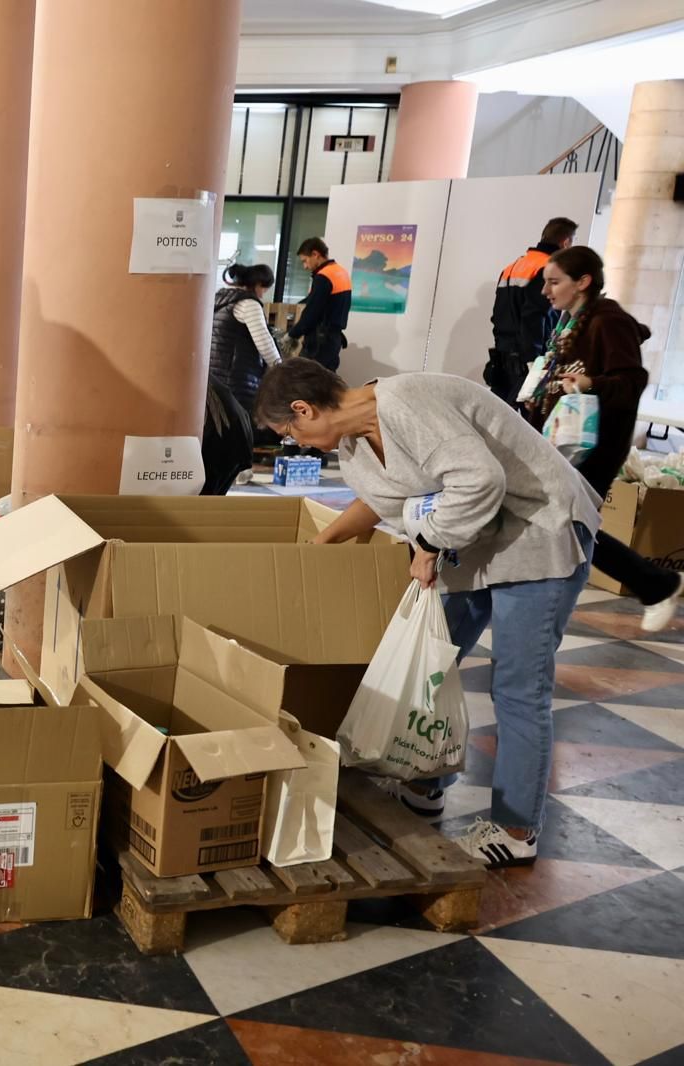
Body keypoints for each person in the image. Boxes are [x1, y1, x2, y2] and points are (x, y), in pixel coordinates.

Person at [255, 359, 600, 868]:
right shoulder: (352, 442)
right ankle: (425, 783)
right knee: (432, 663)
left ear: (304, 409)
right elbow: (381, 498)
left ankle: (515, 828)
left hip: (538, 531)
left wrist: (428, 542)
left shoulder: (406, 403)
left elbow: (480, 482)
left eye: (289, 431)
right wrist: (323, 541)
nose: (296, 442)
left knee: (518, 688)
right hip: (478, 543)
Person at [522, 245, 681, 631]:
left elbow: (632, 380)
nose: (546, 291)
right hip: (563, 442)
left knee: (570, 521)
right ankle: (650, 584)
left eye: (554, 282)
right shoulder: (569, 324)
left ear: (583, 282)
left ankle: (656, 583)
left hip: (594, 445)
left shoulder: (608, 321)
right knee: (562, 520)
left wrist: (591, 383)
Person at [486, 217, 577, 405]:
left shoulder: (512, 267)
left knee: (497, 419)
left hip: (503, 360)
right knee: (526, 427)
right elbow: (534, 317)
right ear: (566, 242)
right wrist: (534, 363)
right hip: (527, 364)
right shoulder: (548, 269)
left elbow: (497, 316)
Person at [210, 262, 282, 414]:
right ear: (256, 284)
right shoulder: (248, 304)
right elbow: (264, 342)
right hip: (237, 380)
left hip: (213, 378)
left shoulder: (218, 300)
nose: (262, 295)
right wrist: (280, 369)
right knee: (240, 428)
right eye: (263, 289)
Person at [287, 238, 351, 372]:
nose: (305, 266)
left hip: (319, 341)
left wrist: (292, 334)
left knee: (304, 381)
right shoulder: (340, 272)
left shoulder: (323, 277)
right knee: (328, 384)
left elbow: (312, 312)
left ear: (315, 254)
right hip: (334, 339)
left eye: (305, 261)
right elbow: (315, 300)